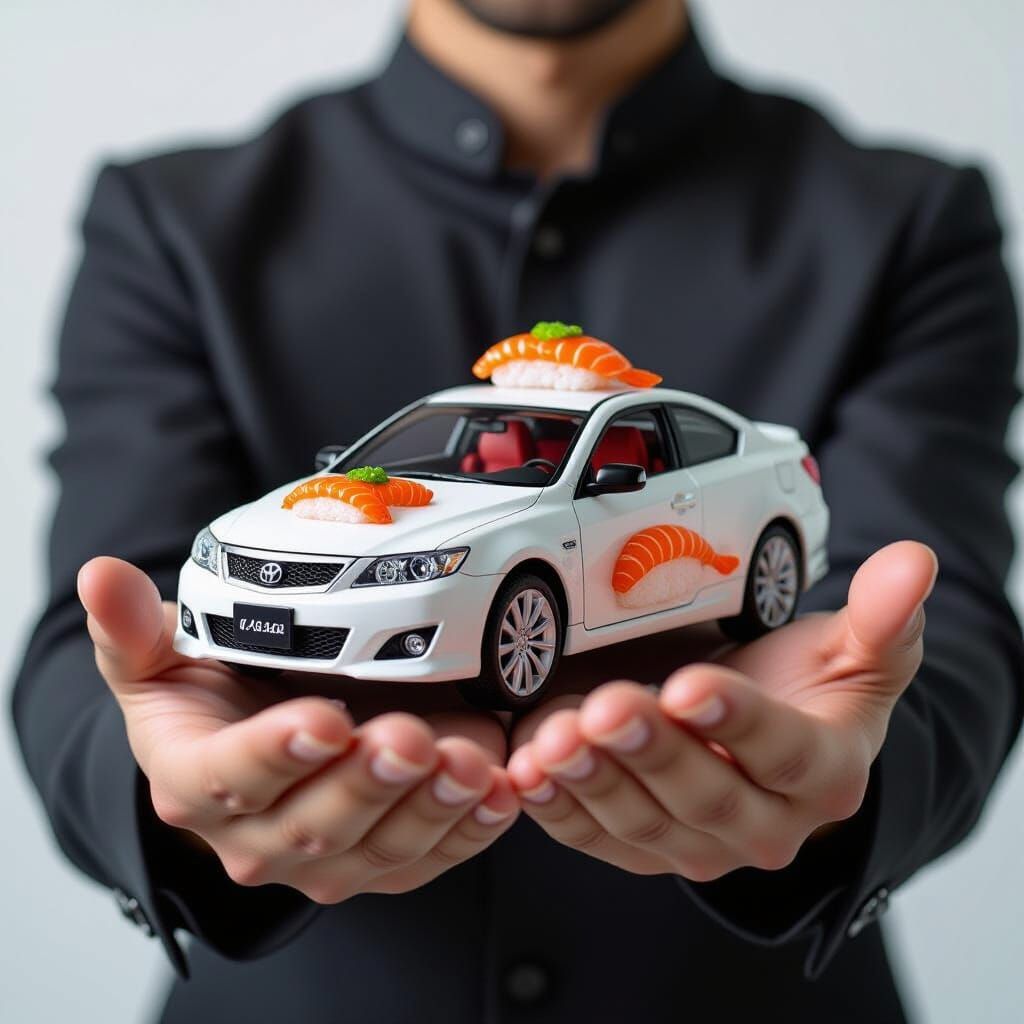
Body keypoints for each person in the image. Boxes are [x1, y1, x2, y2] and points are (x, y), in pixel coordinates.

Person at [11, 1, 1021, 1021]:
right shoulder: (167, 218)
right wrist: (167, 793)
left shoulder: (910, 219)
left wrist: (846, 781)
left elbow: (946, 629)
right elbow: (100, 629)